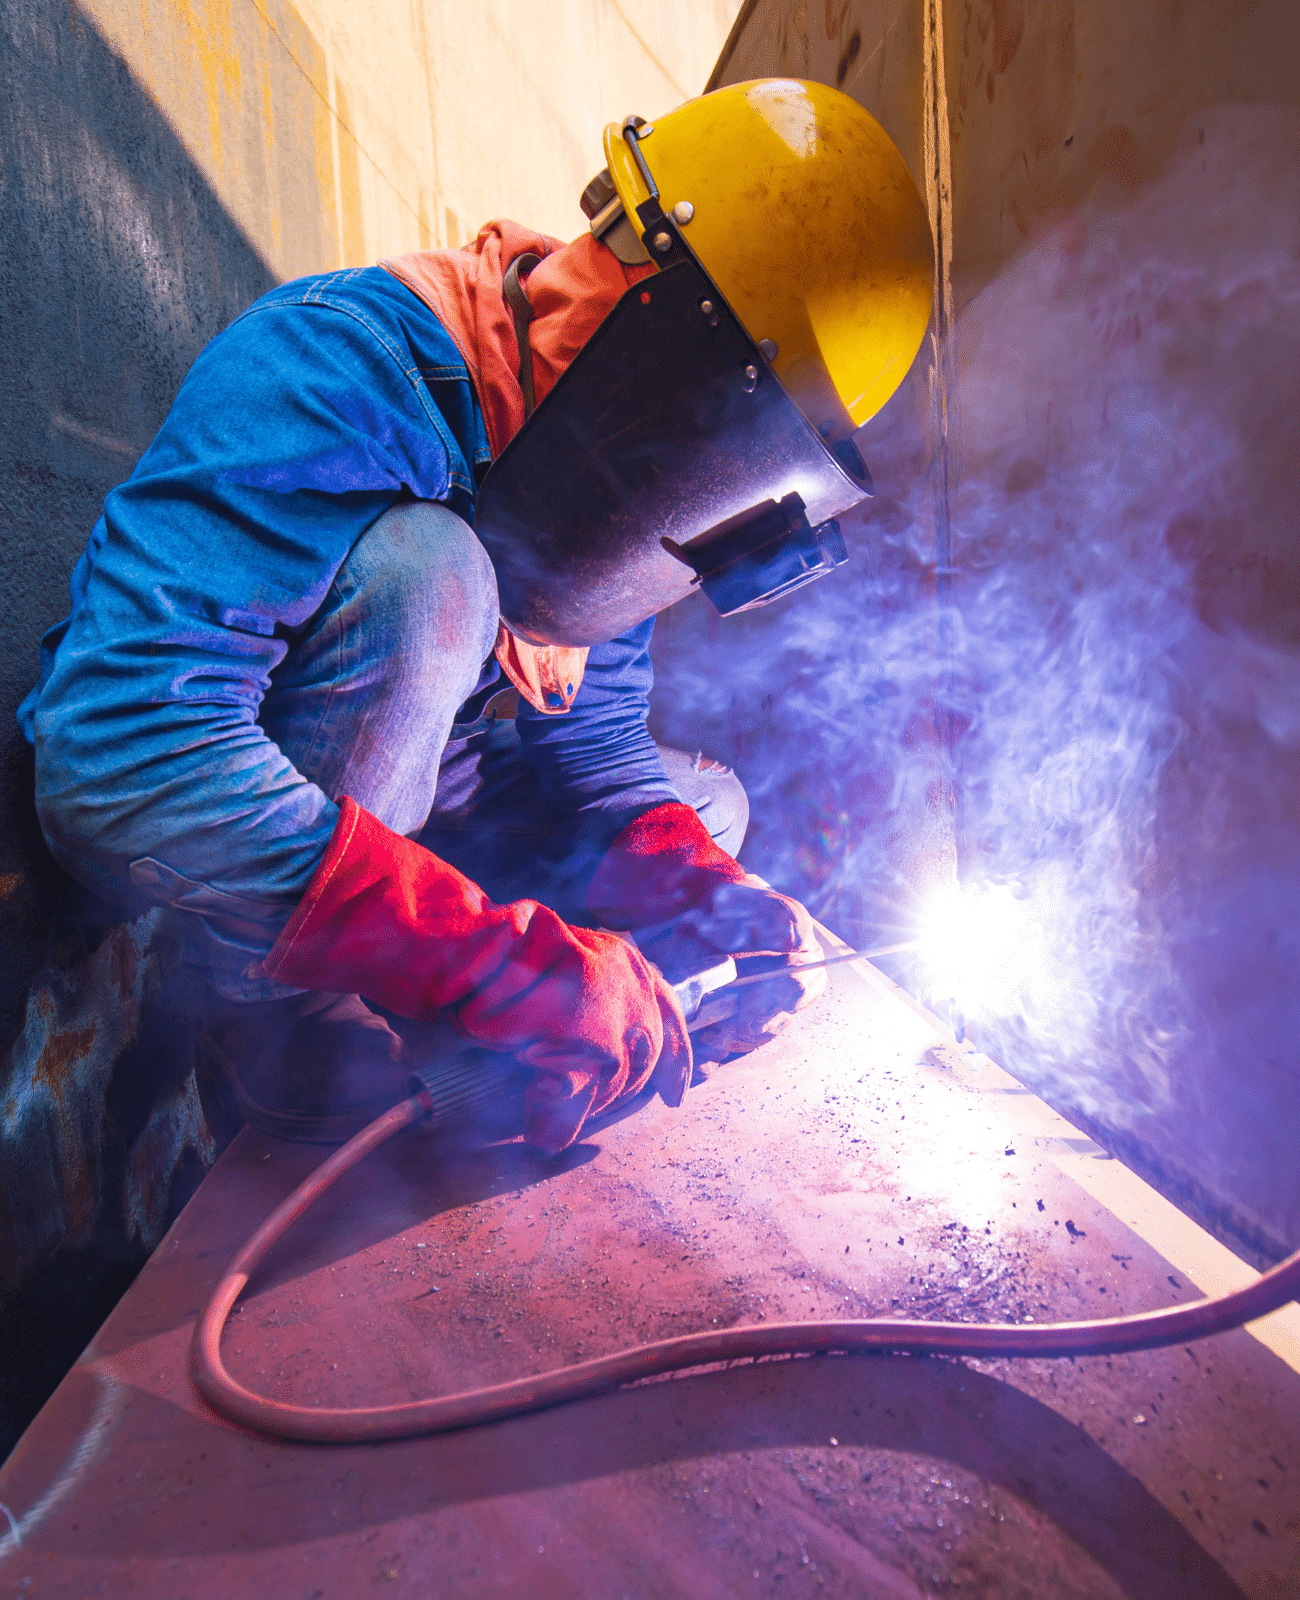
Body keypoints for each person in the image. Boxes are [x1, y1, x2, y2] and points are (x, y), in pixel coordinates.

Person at [18, 79, 933, 1154]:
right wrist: (487, 959)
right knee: (436, 575)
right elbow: (121, 748)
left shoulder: (599, 461)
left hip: (424, 811)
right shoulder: (335, 365)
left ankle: (521, 1000)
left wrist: (684, 877)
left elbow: (592, 739)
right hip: (210, 813)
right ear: (648, 307)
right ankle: (266, 1014)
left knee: (711, 811)